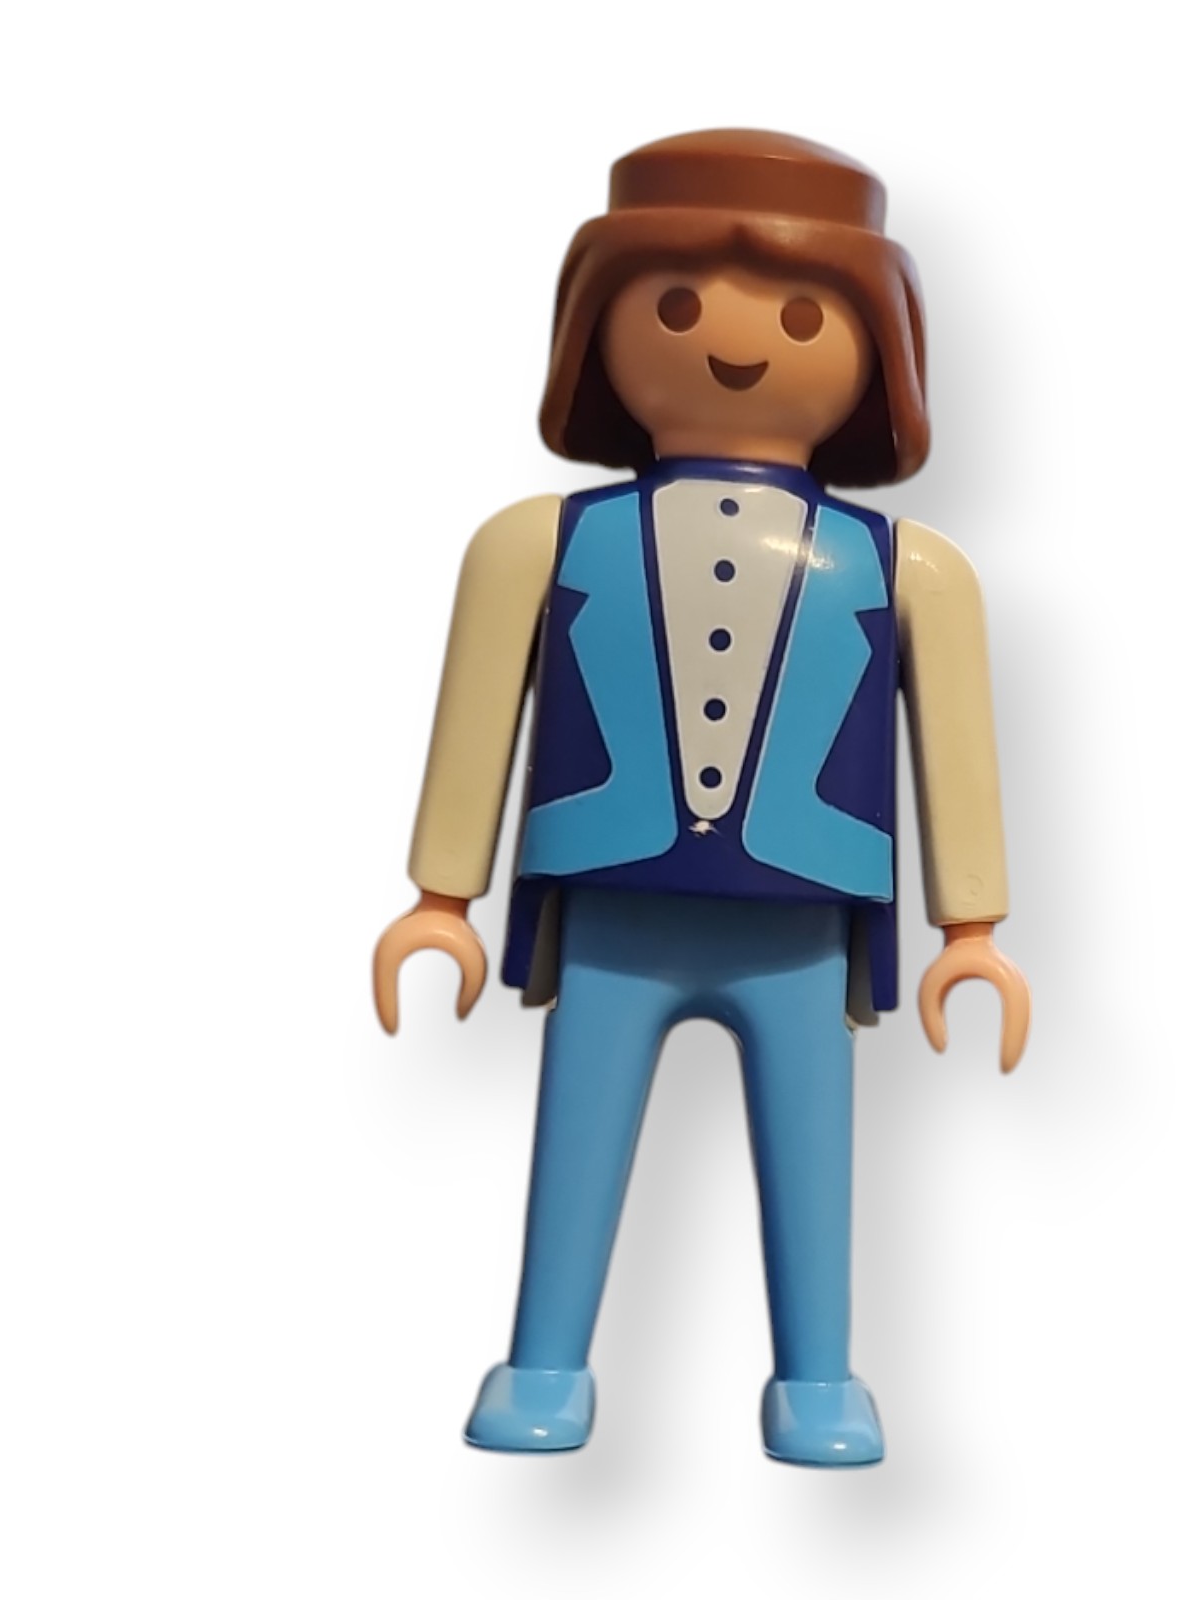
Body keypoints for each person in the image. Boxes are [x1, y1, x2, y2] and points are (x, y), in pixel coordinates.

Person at [373, 129, 1030, 1467]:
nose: (736, 341)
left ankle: (818, 1379)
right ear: (595, 328)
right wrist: (440, 897)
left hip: (801, 907)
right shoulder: (537, 543)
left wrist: (973, 928)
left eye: (801, 316)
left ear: (880, 353)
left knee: (813, 1155)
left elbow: (957, 745)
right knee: (578, 1143)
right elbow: (478, 720)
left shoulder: (912, 569)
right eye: (676, 305)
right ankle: (546, 1362)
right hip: (611, 900)